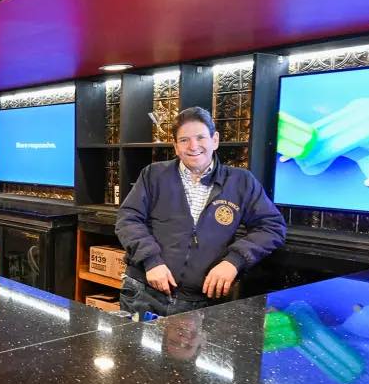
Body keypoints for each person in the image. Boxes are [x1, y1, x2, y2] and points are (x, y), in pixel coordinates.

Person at [115, 106, 286, 317]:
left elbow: (272, 227)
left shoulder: (241, 181)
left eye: (200, 137)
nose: (193, 146)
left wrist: (234, 261)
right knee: (132, 351)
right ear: (176, 147)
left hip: (202, 302)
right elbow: (128, 218)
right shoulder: (153, 175)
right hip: (143, 294)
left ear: (215, 140)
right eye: (184, 140)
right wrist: (151, 260)